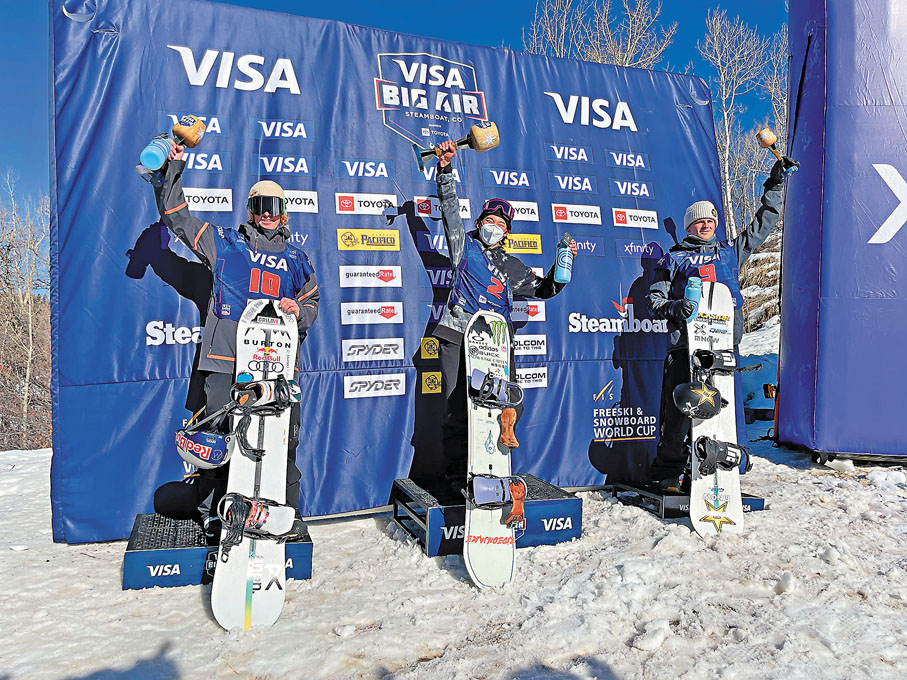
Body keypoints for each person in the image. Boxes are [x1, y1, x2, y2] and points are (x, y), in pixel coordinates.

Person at [149, 139, 319, 533]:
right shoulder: (225, 242)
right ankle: (215, 513)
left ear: (285, 214)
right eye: (259, 207)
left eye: (274, 208)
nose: (266, 215)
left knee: (280, 443)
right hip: (226, 361)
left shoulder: (297, 259)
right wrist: (170, 171)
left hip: (277, 369)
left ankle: (285, 515)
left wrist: (300, 311)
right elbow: (177, 216)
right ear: (250, 211)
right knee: (221, 440)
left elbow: (312, 304)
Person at [432, 139, 577, 500]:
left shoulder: (512, 266)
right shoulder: (464, 246)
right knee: (456, 409)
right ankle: (455, 480)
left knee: (506, 404)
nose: (493, 227)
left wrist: (563, 267)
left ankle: (493, 470)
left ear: (508, 232)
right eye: (488, 220)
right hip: (457, 335)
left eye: (500, 223)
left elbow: (544, 289)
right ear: (479, 223)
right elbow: (450, 209)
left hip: (495, 344)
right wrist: (446, 171)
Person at [646, 155, 798, 491]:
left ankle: (727, 467)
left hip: (724, 345)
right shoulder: (671, 259)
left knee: (725, 412)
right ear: (688, 226)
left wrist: (776, 183)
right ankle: (668, 473)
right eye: (699, 221)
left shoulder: (730, 251)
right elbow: (654, 302)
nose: (706, 225)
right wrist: (677, 307)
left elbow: (764, 221)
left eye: (710, 220)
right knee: (679, 412)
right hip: (686, 347)